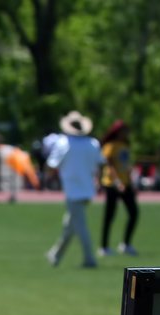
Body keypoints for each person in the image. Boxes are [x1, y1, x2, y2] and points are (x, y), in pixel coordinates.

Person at [45, 110, 104, 269]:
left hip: (72, 191)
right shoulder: (93, 143)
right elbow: (100, 164)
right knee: (70, 225)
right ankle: (55, 255)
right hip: (87, 190)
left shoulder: (64, 143)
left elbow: (52, 164)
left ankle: (89, 258)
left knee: (79, 226)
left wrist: (48, 178)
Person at [98, 119, 139, 257]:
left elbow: (126, 165)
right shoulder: (110, 146)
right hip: (112, 184)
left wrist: (130, 183)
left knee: (134, 213)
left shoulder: (125, 145)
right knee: (109, 216)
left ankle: (126, 244)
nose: (126, 133)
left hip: (125, 183)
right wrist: (117, 182)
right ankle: (104, 247)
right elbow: (109, 166)